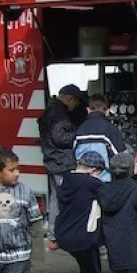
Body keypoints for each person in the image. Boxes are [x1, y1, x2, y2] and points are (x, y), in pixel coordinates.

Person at [55, 151, 108, 273]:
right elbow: (108, 194)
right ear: (93, 169)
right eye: (99, 172)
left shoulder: (66, 180)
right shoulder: (90, 182)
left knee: (90, 272)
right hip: (83, 237)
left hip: (65, 234)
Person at [39, 84, 87, 249]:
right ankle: (58, 235)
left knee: (56, 199)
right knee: (62, 199)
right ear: (69, 99)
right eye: (76, 102)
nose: (76, 107)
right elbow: (60, 137)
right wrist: (79, 135)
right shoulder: (58, 114)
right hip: (61, 161)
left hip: (54, 160)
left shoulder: (51, 109)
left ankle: (54, 235)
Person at [74, 94, 128, 183]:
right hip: (104, 182)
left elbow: (73, 154)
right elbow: (121, 157)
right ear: (107, 111)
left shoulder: (79, 130)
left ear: (88, 110)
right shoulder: (110, 129)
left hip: (82, 182)